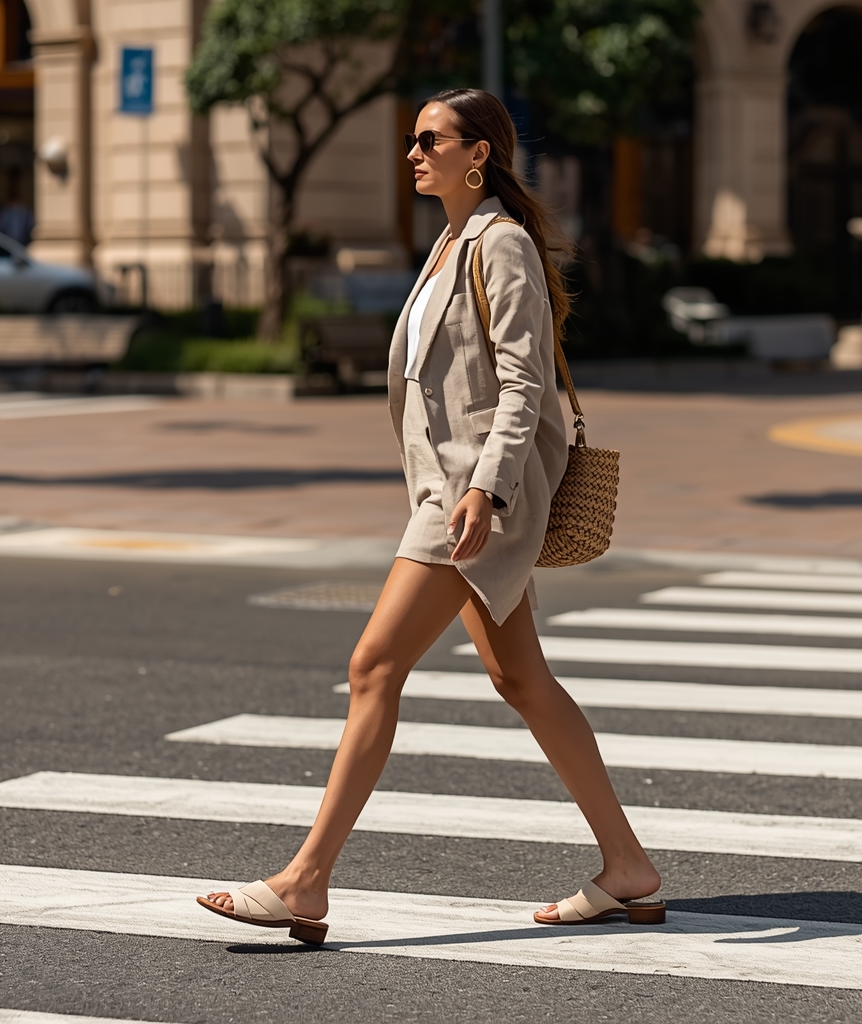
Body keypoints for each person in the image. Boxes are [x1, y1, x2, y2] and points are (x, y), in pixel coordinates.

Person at [197, 88, 664, 943]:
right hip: (448, 492)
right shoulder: (451, 242)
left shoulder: (500, 243)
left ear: (478, 153)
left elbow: (523, 384)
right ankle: (627, 865)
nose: (412, 153)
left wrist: (487, 488)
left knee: (373, 665)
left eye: (429, 139)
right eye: (412, 139)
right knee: (521, 680)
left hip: (471, 497)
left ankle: (305, 880)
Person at [0, 170, 35, 247]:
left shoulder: (25, 211)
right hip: (7, 244)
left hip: (23, 244)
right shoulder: (5, 211)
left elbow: (30, 227)